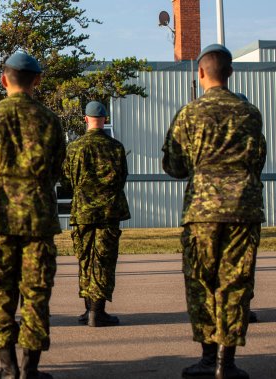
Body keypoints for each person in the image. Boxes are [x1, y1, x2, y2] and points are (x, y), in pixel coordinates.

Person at [162, 44, 265, 379]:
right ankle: (226, 361)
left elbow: (174, 165)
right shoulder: (250, 113)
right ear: (231, 73)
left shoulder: (189, 114)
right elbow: (258, 159)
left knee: (201, 281)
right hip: (243, 208)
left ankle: (207, 357)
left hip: (202, 209)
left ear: (201, 73)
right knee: (235, 282)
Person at [0, 52, 65, 379]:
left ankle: (7, 368)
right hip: (38, 218)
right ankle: (30, 369)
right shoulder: (51, 121)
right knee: (36, 293)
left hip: (0, 216)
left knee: (1, 290)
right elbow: (55, 170)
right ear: (37, 81)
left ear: (3, 80)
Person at [61, 101, 131, 327]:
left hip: (83, 211)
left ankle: (88, 308)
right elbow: (121, 177)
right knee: (103, 260)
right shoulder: (116, 147)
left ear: (85, 119)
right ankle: (96, 311)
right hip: (108, 211)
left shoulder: (74, 147)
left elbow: (66, 179)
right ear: (105, 119)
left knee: (85, 258)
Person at [234, 93, 260, 326]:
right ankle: (243, 306)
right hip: (248, 204)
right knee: (245, 260)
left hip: (218, 204)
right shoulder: (255, 135)